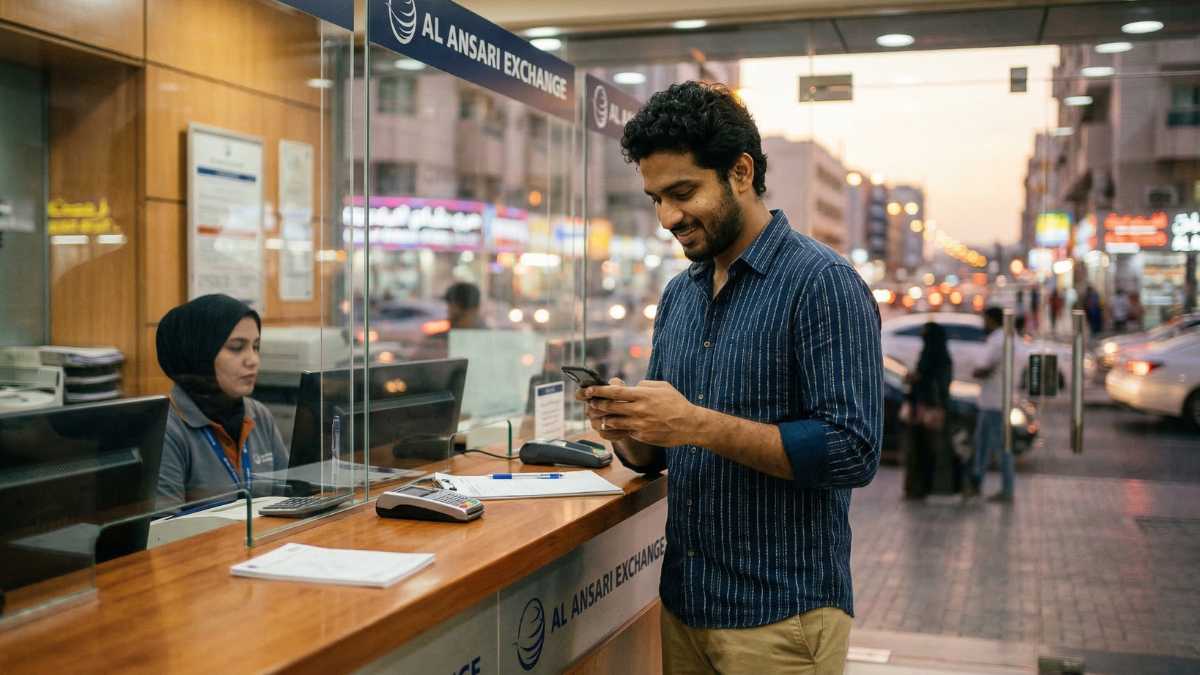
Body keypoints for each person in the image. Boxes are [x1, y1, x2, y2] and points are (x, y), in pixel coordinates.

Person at [578, 81, 882, 674]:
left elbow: (852, 452)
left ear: (740, 172)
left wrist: (695, 423)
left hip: (781, 619)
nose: (668, 217)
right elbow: (656, 452)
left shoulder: (823, 283)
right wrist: (624, 425)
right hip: (686, 604)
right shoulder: (679, 296)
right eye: (655, 198)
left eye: (683, 192)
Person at [155, 294, 288, 507]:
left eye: (256, 347)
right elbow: (162, 530)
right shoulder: (165, 428)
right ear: (198, 353)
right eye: (236, 347)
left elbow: (290, 495)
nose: (252, 360)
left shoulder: (258, 414)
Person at [967, 307, 1014, 503]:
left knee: (996, 447)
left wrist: (977, 372)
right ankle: (979, 484)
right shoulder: (1005, 338)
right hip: (994, 400)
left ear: (992, 320)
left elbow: (984, 368)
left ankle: (1004, 489)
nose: (983, 324)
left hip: (994, 403)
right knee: (985, 446)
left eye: (985, 319)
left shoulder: (997, 340)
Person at [904, 322, 955, 499]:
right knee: (928, 449)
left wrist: (913, 379)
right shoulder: (944, 357)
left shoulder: (929, 355)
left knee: (920, 448)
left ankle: (919, 487)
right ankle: (926, 486)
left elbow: (923, 379)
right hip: (933, 408)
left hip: (924, 409)